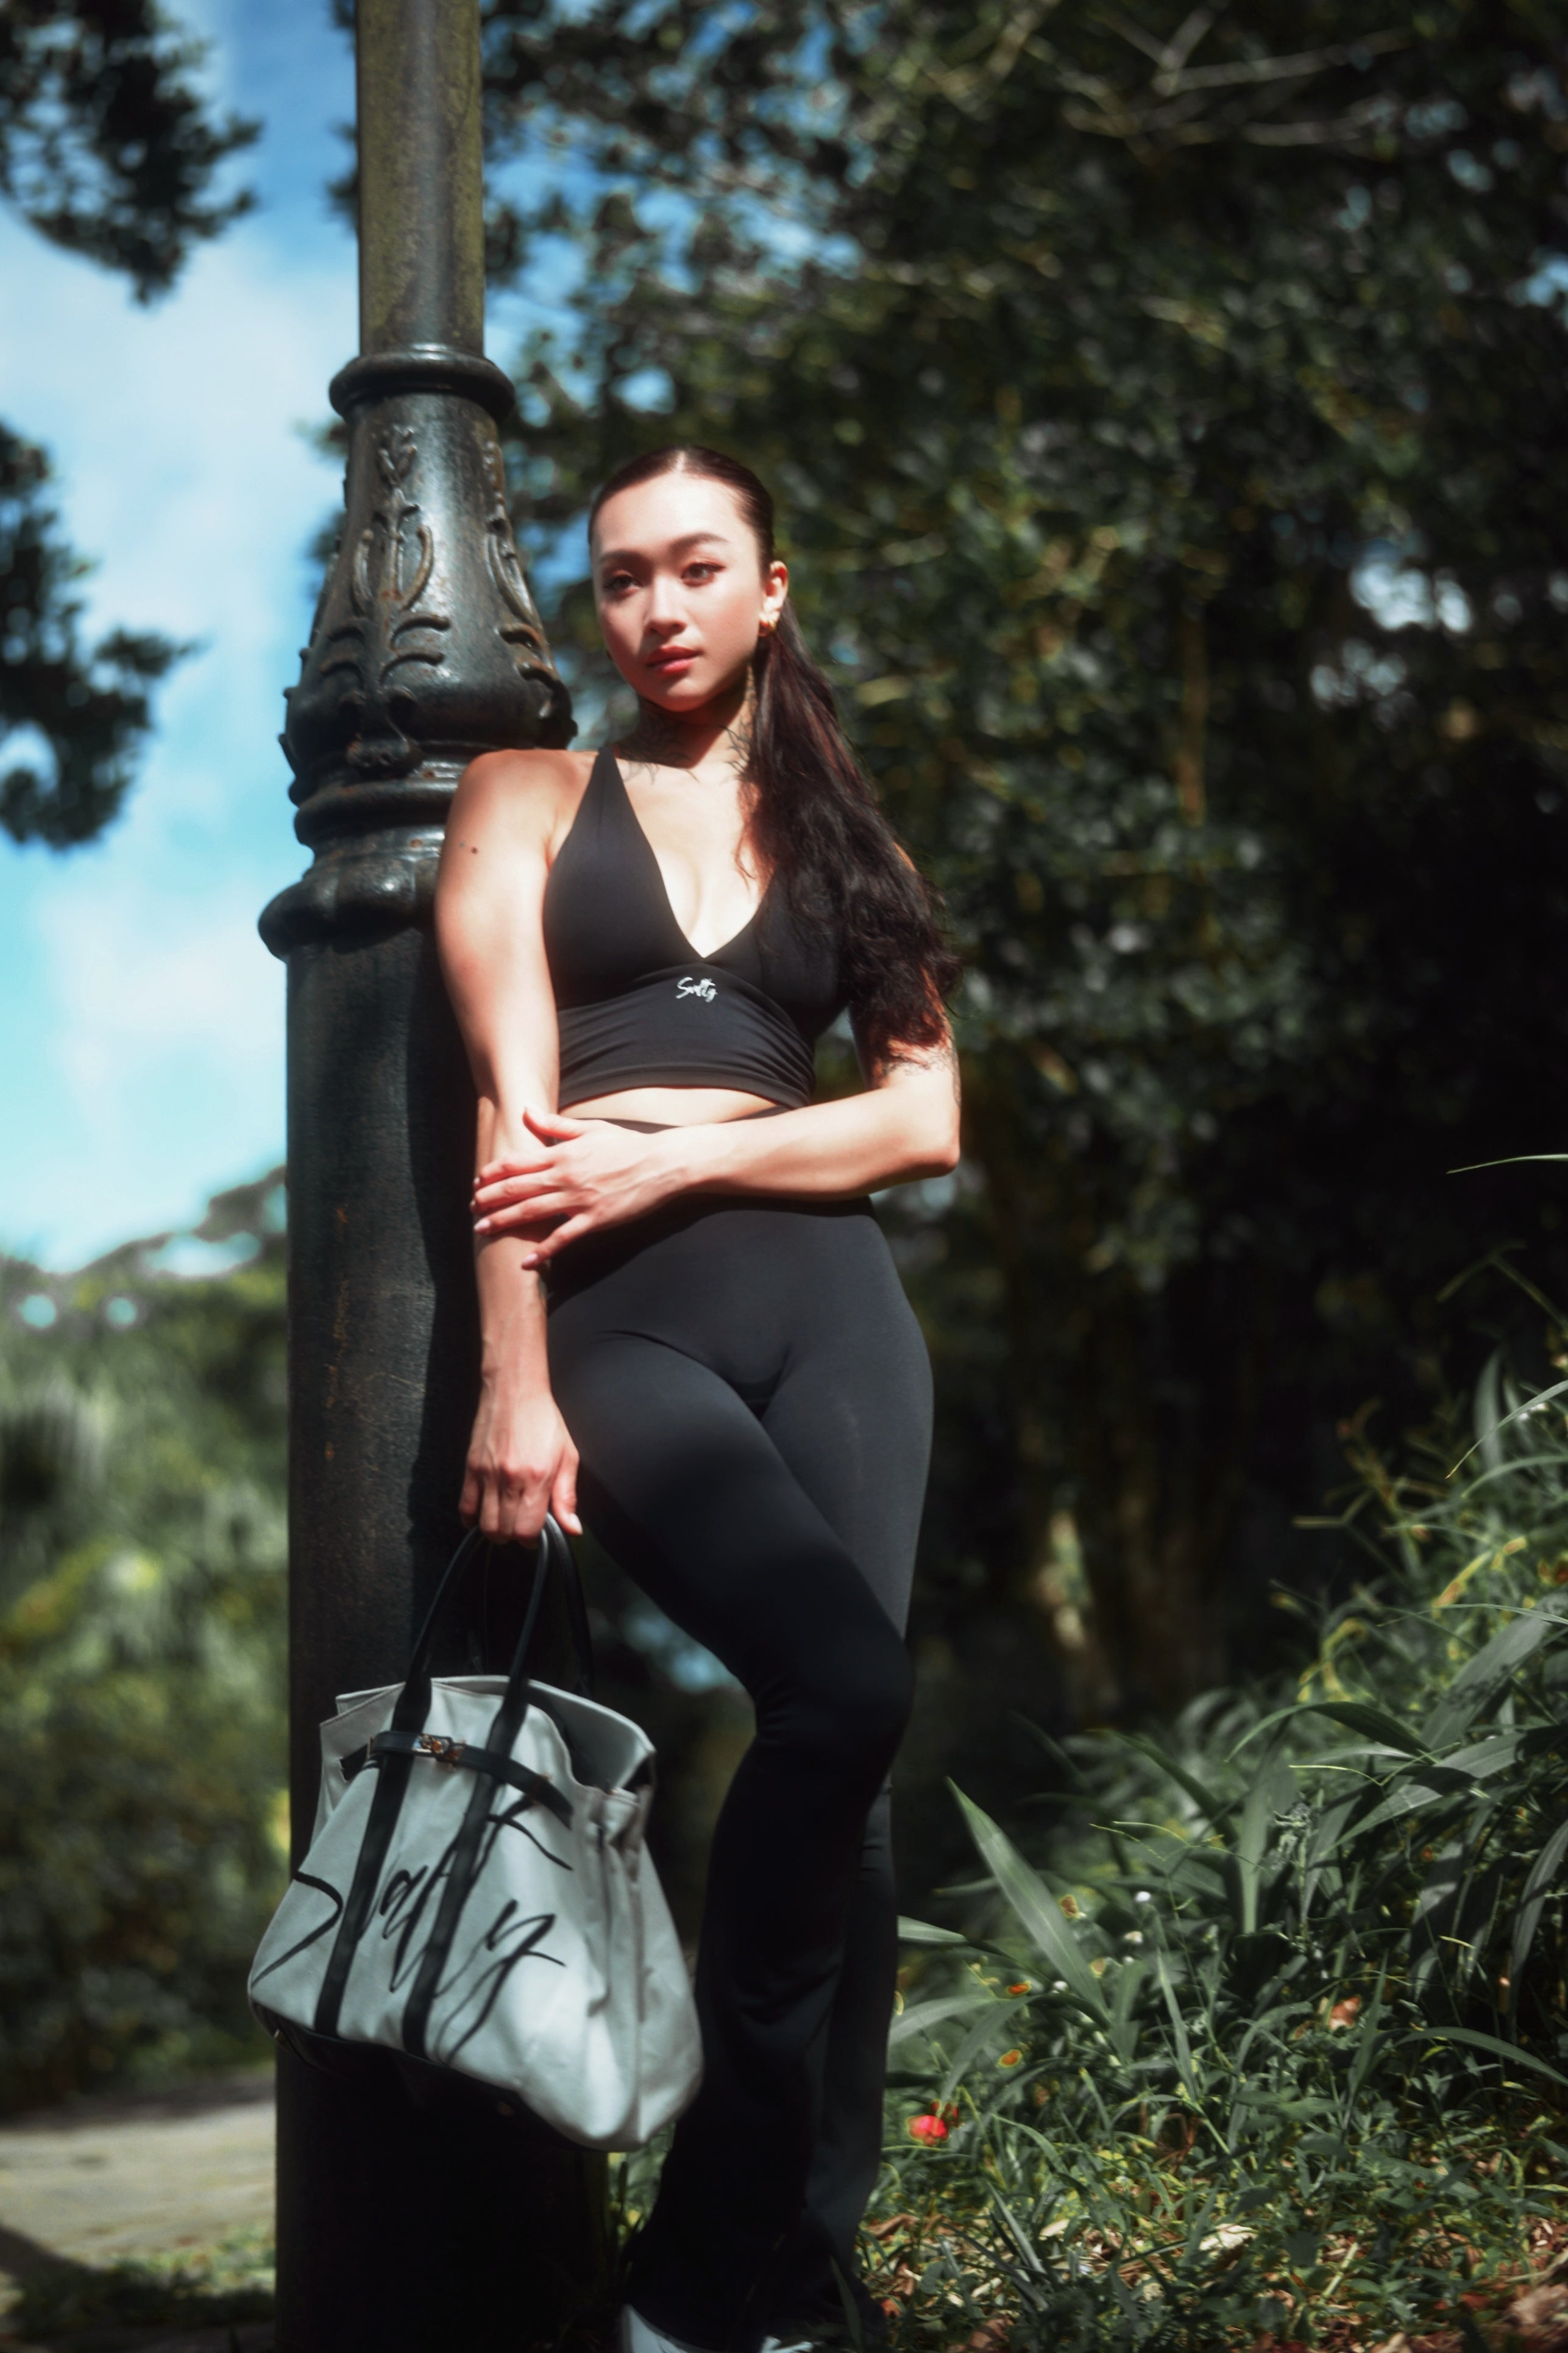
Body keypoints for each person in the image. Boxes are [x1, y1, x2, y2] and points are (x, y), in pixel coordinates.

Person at [433, 444, 961, 2353]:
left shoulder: (847, 839)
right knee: (844, 1687)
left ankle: (788, 2284)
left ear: (771, 585)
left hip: (832, 1309)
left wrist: (683, 1156)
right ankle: (698, 2269)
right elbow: (513, 1113)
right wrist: (513, 1380)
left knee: (852, 1764)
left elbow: (924, 1115)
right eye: (623, 577)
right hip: (620, 1315)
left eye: (698, 566)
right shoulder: (522, 792)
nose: (658, 607)